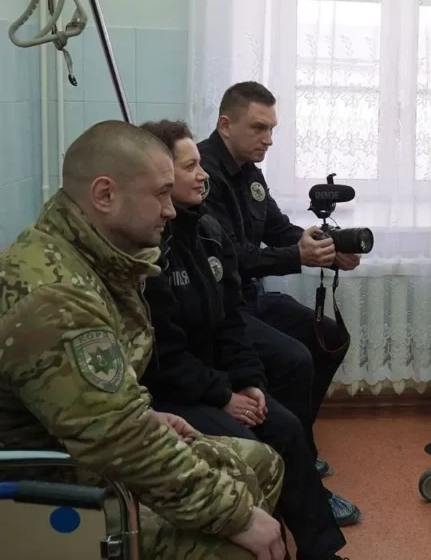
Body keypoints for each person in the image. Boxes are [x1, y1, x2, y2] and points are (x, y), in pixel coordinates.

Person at [0, 120, 289, 560]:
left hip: (85, 447)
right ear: (105, 195)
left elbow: (99, 404)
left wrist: (147, 417)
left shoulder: (98, 259)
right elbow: (117, 440)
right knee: (239, 542)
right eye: (160, 194)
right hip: (48, 487)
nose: (171, 210)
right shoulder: (56, 297)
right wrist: (237, 518)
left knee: (262, 462)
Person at [138, 120, 348, 559]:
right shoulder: (148, 252)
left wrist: (250, 382)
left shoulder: (206, 231)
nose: (202, 176)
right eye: (190, 167)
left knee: (285, 425)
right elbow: (164, 358)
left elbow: (230, 318)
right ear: (159, 177)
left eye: (199, 164)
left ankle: (321, 550)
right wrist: (224, 396)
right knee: (254, 438)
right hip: (174, 393)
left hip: (217, 373)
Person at [198, 81, 362, 525]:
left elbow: (277, 228)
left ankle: (296, 443)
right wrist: (296, 257)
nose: (268, 139)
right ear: (225, 125)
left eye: (272, 129)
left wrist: (327, 248)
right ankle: (297, 468)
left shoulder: (250, 172)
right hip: (223, 307)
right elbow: (230, 257)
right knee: (295, 358)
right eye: (259, 128)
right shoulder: (203, 176)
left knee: (330, 336)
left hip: (252, 297)